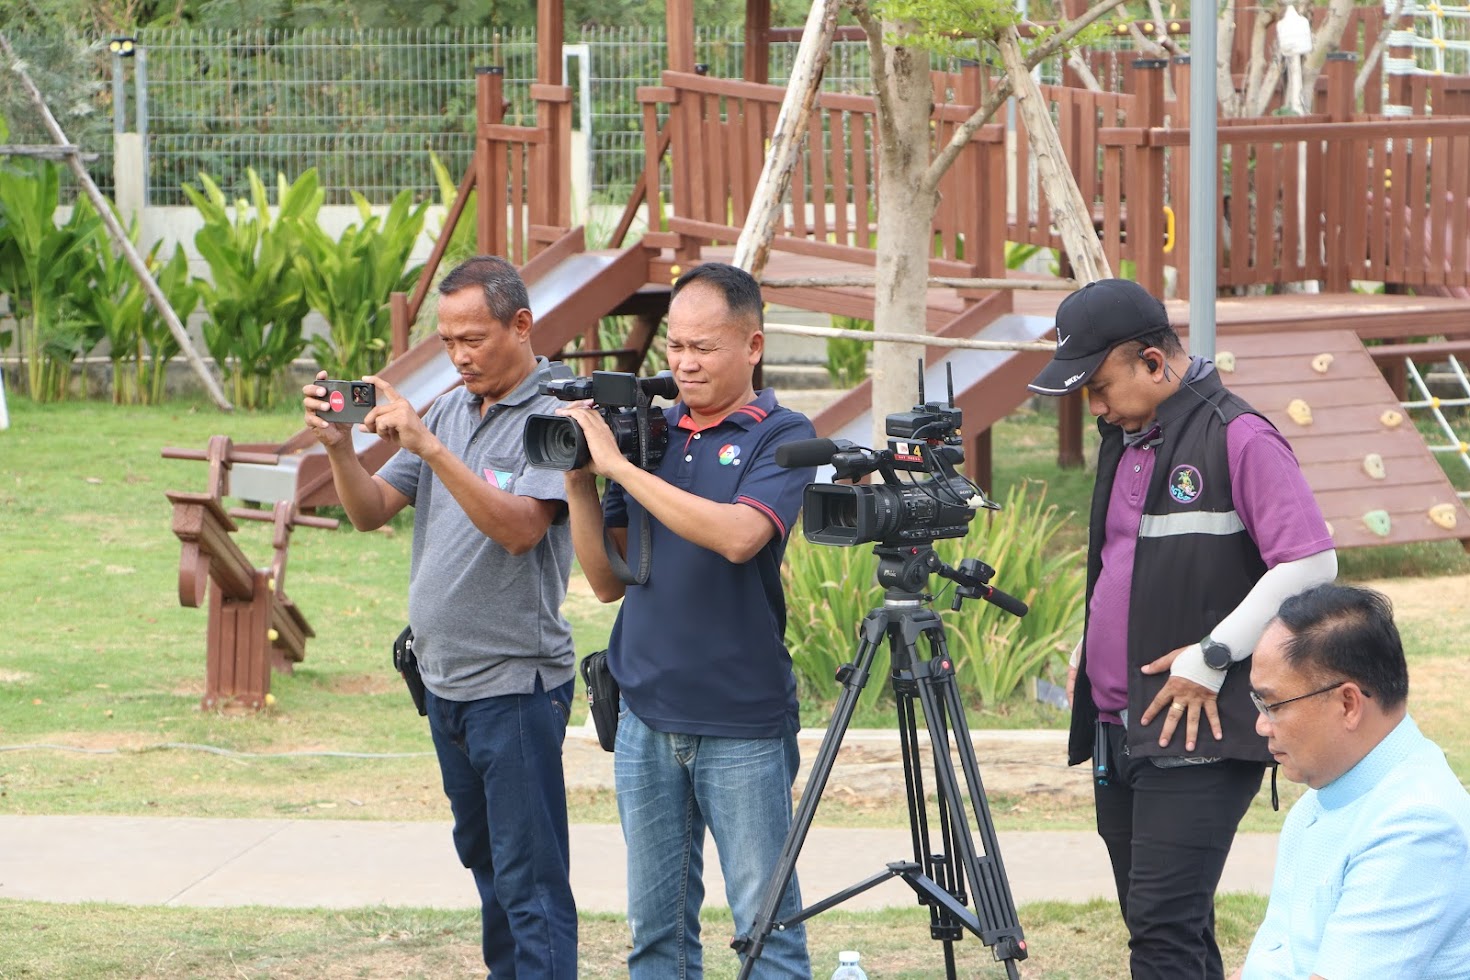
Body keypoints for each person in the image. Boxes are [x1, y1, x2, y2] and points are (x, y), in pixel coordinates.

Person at [1026, 278, 1338, 979]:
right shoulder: (1128, 435)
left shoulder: (1239, 435)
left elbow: (1312, 562)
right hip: (1118, 726)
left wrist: (1212, 654)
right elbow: (1127, 558)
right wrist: (1089, 643)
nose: (1096, 406)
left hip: (1196, 727)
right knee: (1169, 925)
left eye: (1100, 387)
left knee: (1161, 931)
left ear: (1152, 361)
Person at [302, 255, 578, 979]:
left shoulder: (556, 418)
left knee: (530, 884)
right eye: (448, 341)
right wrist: (341, 450)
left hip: (514, 686)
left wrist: (427, 444)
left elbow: (521, 530)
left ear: (521, 325)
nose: (459, 357)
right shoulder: (453, 408)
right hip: (445, 684)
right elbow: (369, 512)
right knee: (488, 869)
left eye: (473, 339)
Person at [561, 261, 815, 979]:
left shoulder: (782, 434)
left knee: (766, 934)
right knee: (656, 938)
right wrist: (580, 482)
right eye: (675, 346)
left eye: (703, 347)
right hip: (644, 714)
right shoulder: (650, 431)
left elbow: (739, 537)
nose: (685, 363)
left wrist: (621, 470)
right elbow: (606, 582)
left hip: (741, 719)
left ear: (753, 346)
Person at [1237, 583, 1470, 979]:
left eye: (1272, 704)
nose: (1262, 725)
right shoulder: (1328, 794)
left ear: (1348, 704)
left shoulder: (1416, 825)